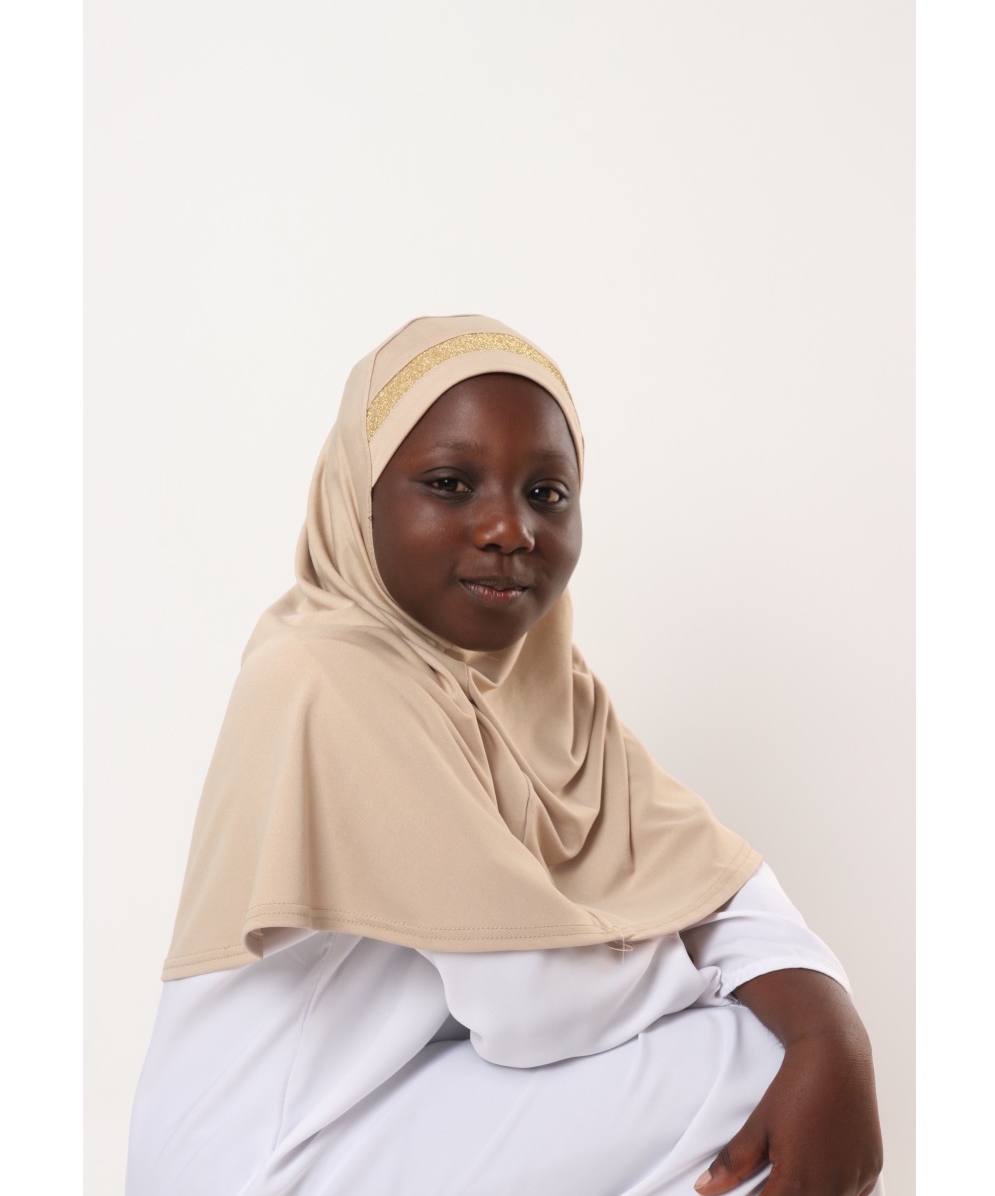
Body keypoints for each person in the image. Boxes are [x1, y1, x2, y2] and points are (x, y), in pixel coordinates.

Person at [127, 315, 883, 1196]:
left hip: (379, 1103)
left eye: (547, 493)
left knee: (786, 1080)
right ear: (357, 498)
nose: (509, 528)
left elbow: (711, 882)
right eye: (450, 484)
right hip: (258, 1156)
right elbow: (537, 1002)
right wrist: (759, 1007)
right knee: (753, 1067)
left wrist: (830, 1031)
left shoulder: (535, 688)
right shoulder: (324, 674)